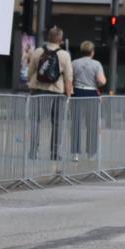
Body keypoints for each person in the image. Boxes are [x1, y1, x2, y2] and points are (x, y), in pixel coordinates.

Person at [27, 26, 73, 161]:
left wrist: (31, 86)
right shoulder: (64, 55)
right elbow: (68, 78)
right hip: (57, 92)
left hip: (38, 90)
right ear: (61, 40)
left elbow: (30, 72)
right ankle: (54, 153)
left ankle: (33, 152)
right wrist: (69, 95)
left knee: (35, 121)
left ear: (48, 37)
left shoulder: (38, 51)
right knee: (57, 122)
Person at [70, 40, 106, 159]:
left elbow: (69, 78)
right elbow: (102, 81)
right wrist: (97, 83)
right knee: (91, 124)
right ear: (92, 52)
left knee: (76, 123)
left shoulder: (74, 63)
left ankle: (75, 153)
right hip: (91, 93)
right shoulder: (96, 64)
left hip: (77, 92)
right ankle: (91, 153)